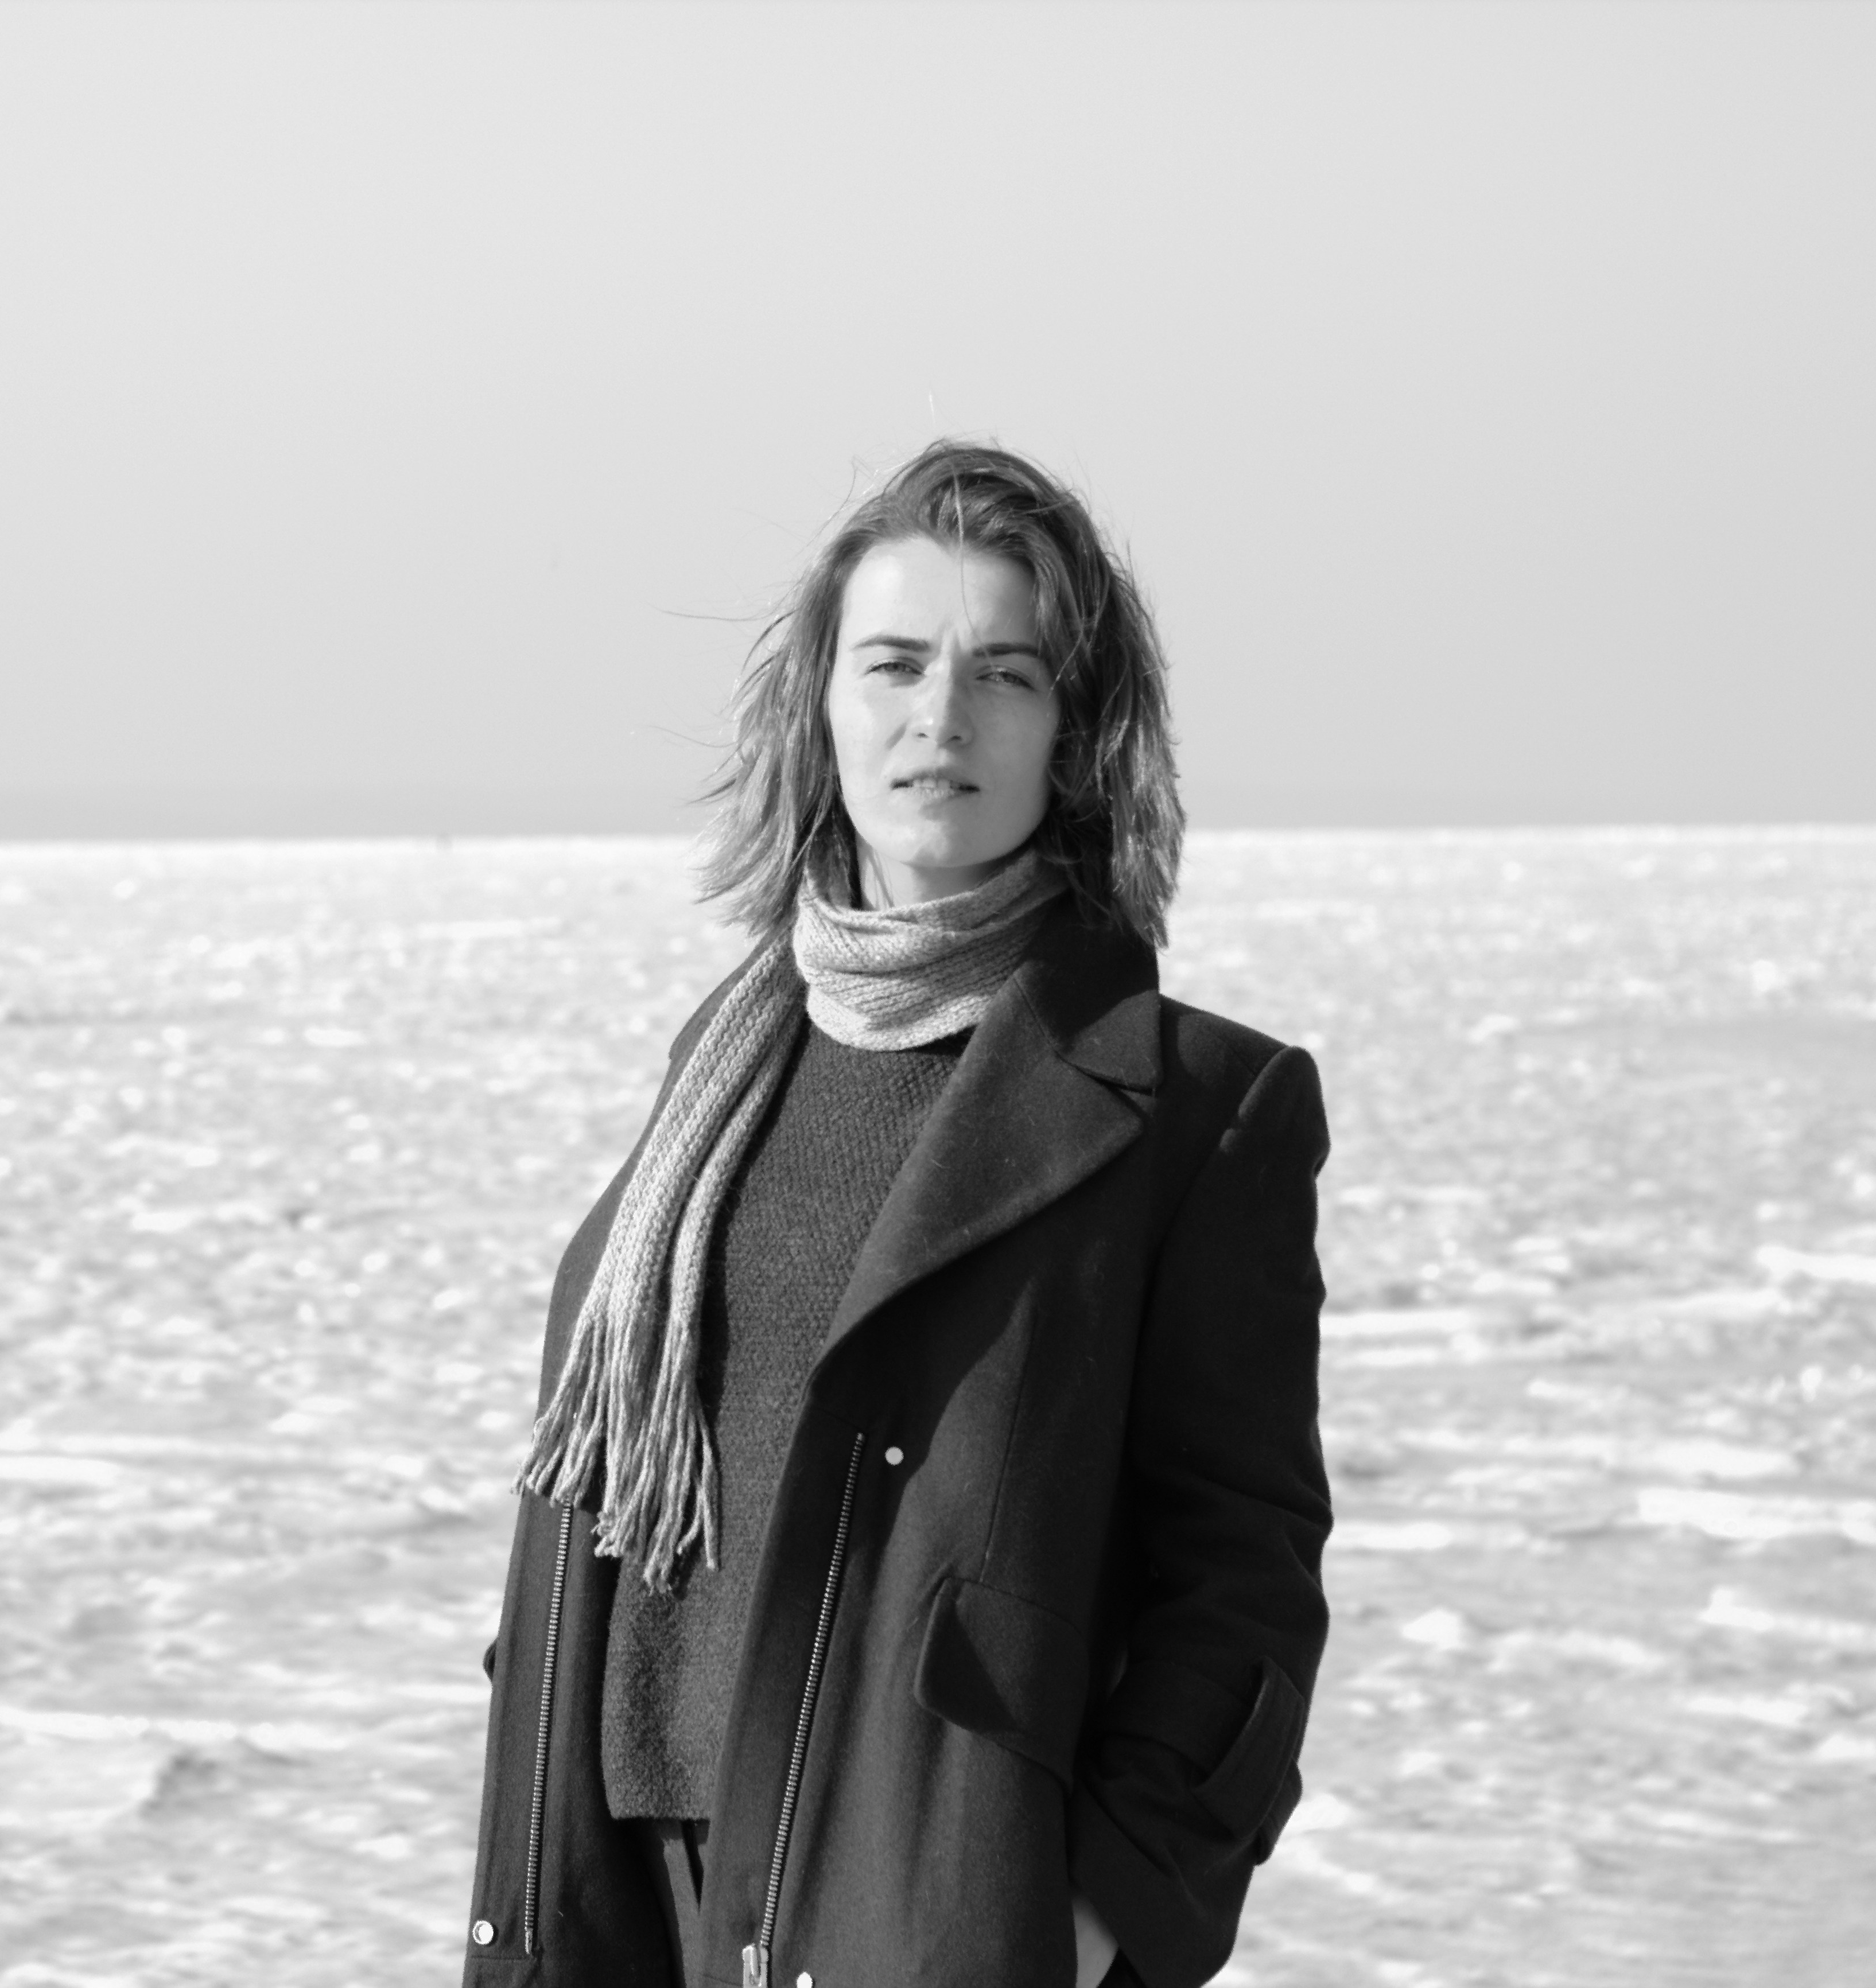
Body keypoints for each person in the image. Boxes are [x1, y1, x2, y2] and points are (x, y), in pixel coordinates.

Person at [460, 442, 1331, 1988]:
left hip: (917, 1916)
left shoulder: (1195, 1110)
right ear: (822, 706)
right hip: (618, 1905)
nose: (942, 717)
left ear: (1075, 732)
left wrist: (1087, 1921)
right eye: (895, 664)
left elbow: (1241, 1585)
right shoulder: (726, 1066)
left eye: (1005, 673)